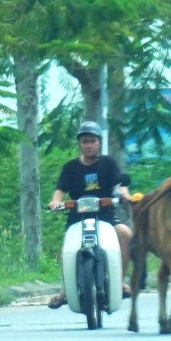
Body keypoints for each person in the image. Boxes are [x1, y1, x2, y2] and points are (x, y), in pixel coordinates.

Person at [46, 121, 133, 309]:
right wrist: (55, 201)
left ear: (99, 143)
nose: (89, 145)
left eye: (92, 141)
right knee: (67, 250)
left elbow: (120, 184)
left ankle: (119, 281)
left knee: (125, 234)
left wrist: (125, 195)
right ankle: (67, 289)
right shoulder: (70, 167)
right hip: (78, 219)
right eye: (85, 141)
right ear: (79, 144)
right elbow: (60, 189)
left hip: (106, 217)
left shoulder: (109, 163)